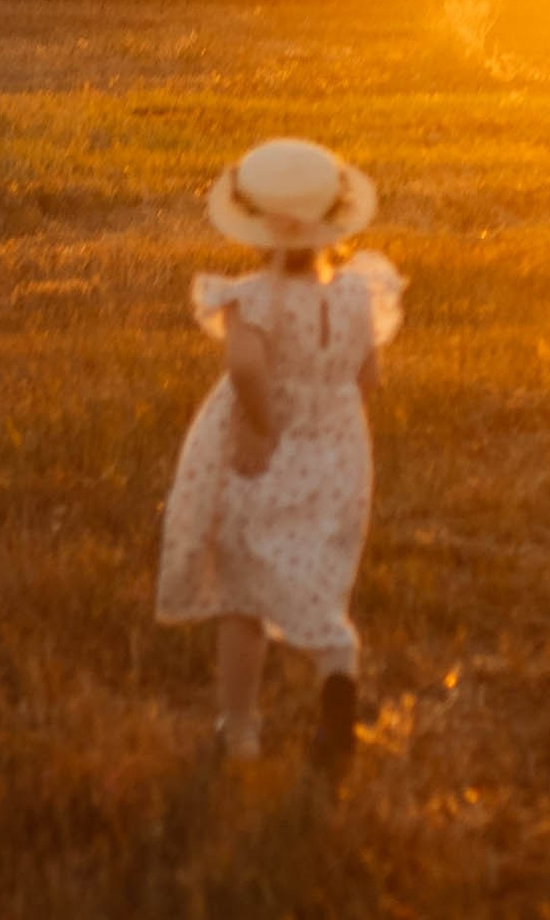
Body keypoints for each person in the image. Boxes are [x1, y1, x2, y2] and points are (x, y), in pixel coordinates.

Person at [156, 136, 405, 773]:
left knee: (242, 590)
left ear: (256, 225)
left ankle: (238, 731)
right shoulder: (356, 295)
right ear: (334, 218)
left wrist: (262, 427)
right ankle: (336, 665)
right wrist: (335, 413)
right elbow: (369, 375)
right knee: (320, 573)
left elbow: (245, 366)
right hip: (338, 454)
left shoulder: (253, 298)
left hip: (267, 454)